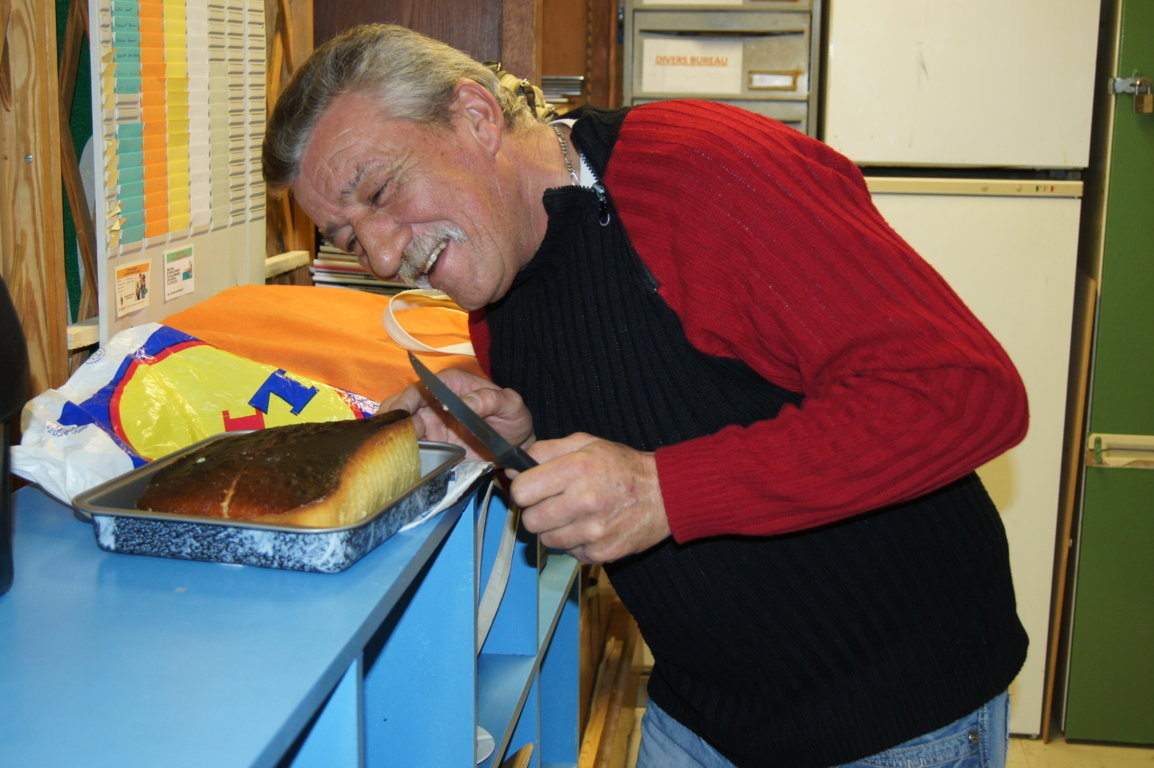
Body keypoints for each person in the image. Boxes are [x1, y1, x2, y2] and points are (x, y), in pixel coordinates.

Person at [263, 24, 1030, 768]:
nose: (389, 252)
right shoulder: (495, 277)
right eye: (353, 240)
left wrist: (662, 491)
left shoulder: (705, 172)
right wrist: (515, 438)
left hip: (892, 718)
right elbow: (656, 421)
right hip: (705, 709)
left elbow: (961, 393)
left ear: (475, 116)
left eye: (381, 191)